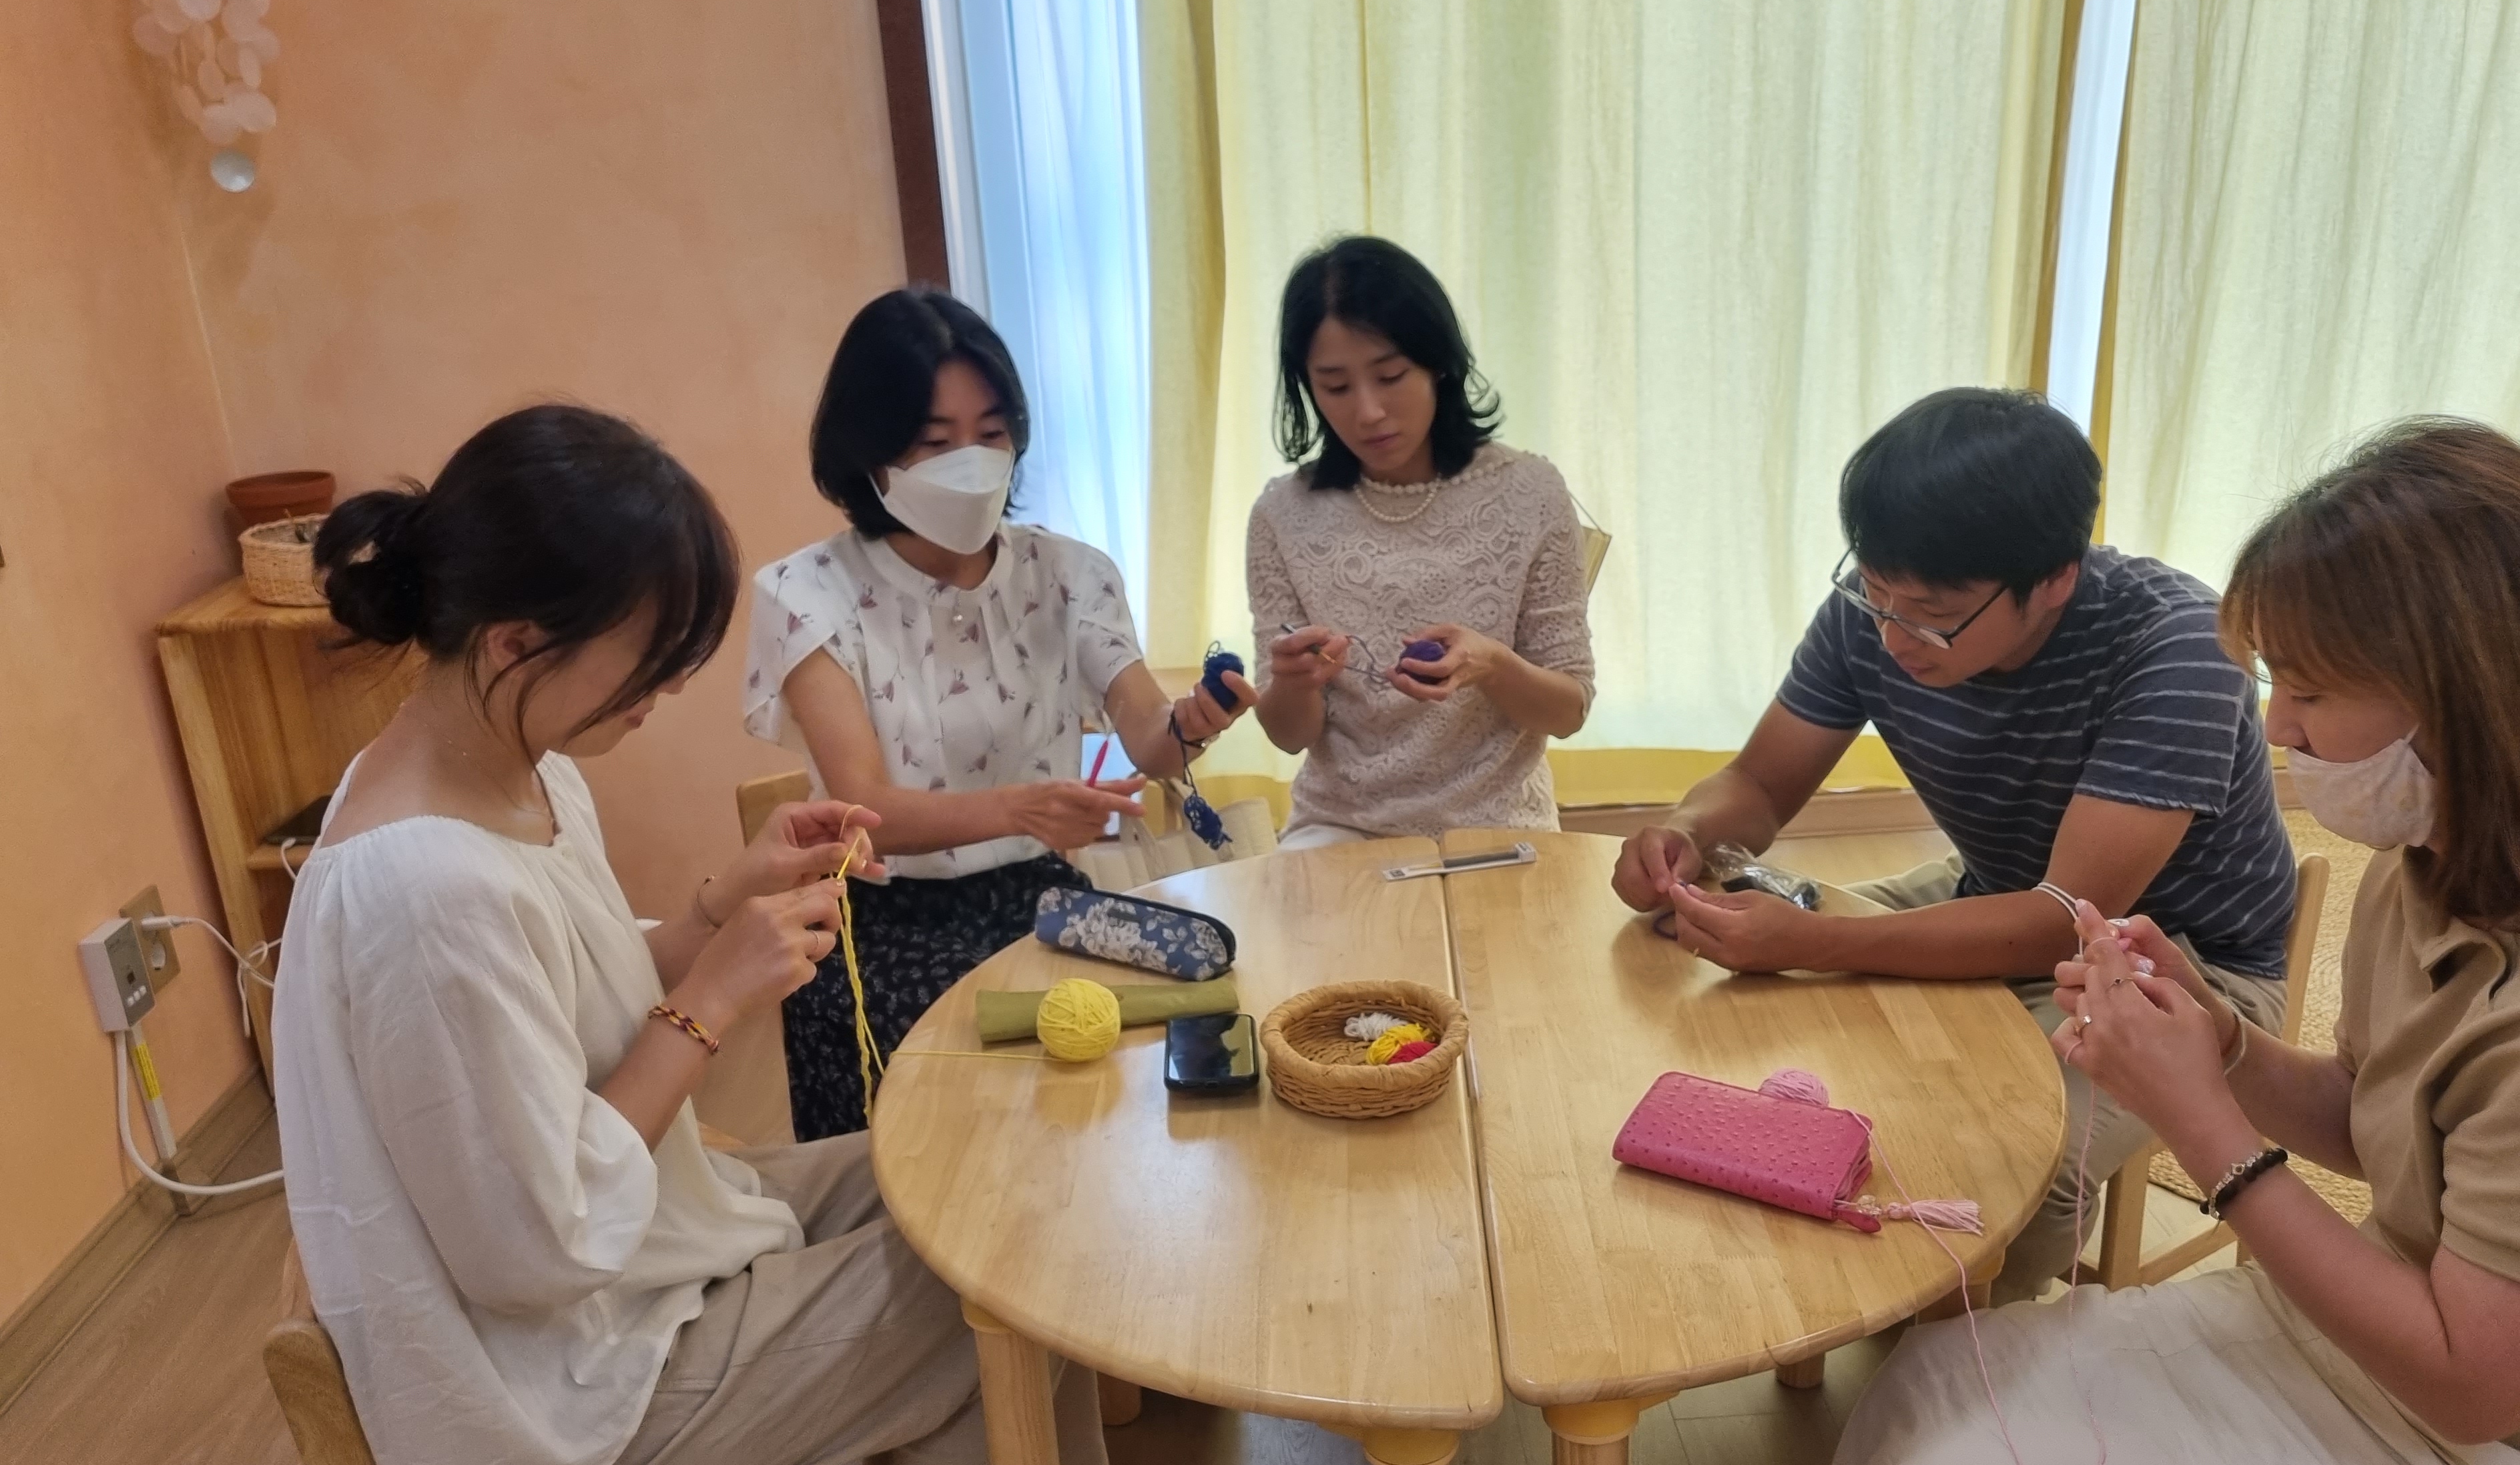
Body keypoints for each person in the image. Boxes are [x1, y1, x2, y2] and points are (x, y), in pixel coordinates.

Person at [1745, 419, 2520, 1465]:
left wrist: (2209, 1126)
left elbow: (2475, 1382)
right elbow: (2372, 1114)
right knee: (1936, 1385)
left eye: (2309, 689)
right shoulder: (2445, 861)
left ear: (2469, 690)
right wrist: (2219, 1036)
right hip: (2381, 1365)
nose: (2277, 728)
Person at [277, 406, 1109, 1465]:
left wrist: (724, 902)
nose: (658, 701)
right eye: (647, 669)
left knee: (971, 1163)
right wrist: (715, 998)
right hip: (559, 1401)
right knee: (999, 1270)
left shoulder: (511, 764)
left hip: (620, 1270)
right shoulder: (423, 890)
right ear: (516, 641)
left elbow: (583, 990)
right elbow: (533, 1243)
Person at [1612, 388, 2298, 1295]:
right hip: (1992, 891)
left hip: (2180, 965)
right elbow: (1761, 786)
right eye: (1875, 591)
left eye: (1931, 612)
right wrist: (1686, 830)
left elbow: (2059, 919)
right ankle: (1854, 1289)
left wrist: (1819, 942)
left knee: (2025, 1166)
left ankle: (1974, 1348)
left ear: (2055, 579)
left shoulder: (2178, 646)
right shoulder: (1882, 606)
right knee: (1738, 985)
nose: (1892, 632)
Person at [745, 288, 1255, 1139]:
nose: (973, 462)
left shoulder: (1069, 573)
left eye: (991, 432)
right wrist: (1020, 807)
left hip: (1040, 899)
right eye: (935, 441)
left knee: (1187, 1012)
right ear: (870, 450)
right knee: (978, 1104)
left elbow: (1148, 737)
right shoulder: (807, 594)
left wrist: (1193, 722)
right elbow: (863, 812)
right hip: (879, 924)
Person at [1247, 235, 1595, 847]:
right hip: (1340, 827)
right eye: (1335, 387)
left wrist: (1493, 665)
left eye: (1390, 376)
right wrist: (1294, 683)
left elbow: (1569, 711)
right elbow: (1288, 735)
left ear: (1438, 361)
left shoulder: (1529, 492)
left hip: (1501, 827)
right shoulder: (1283, 514)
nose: (1369, 412)